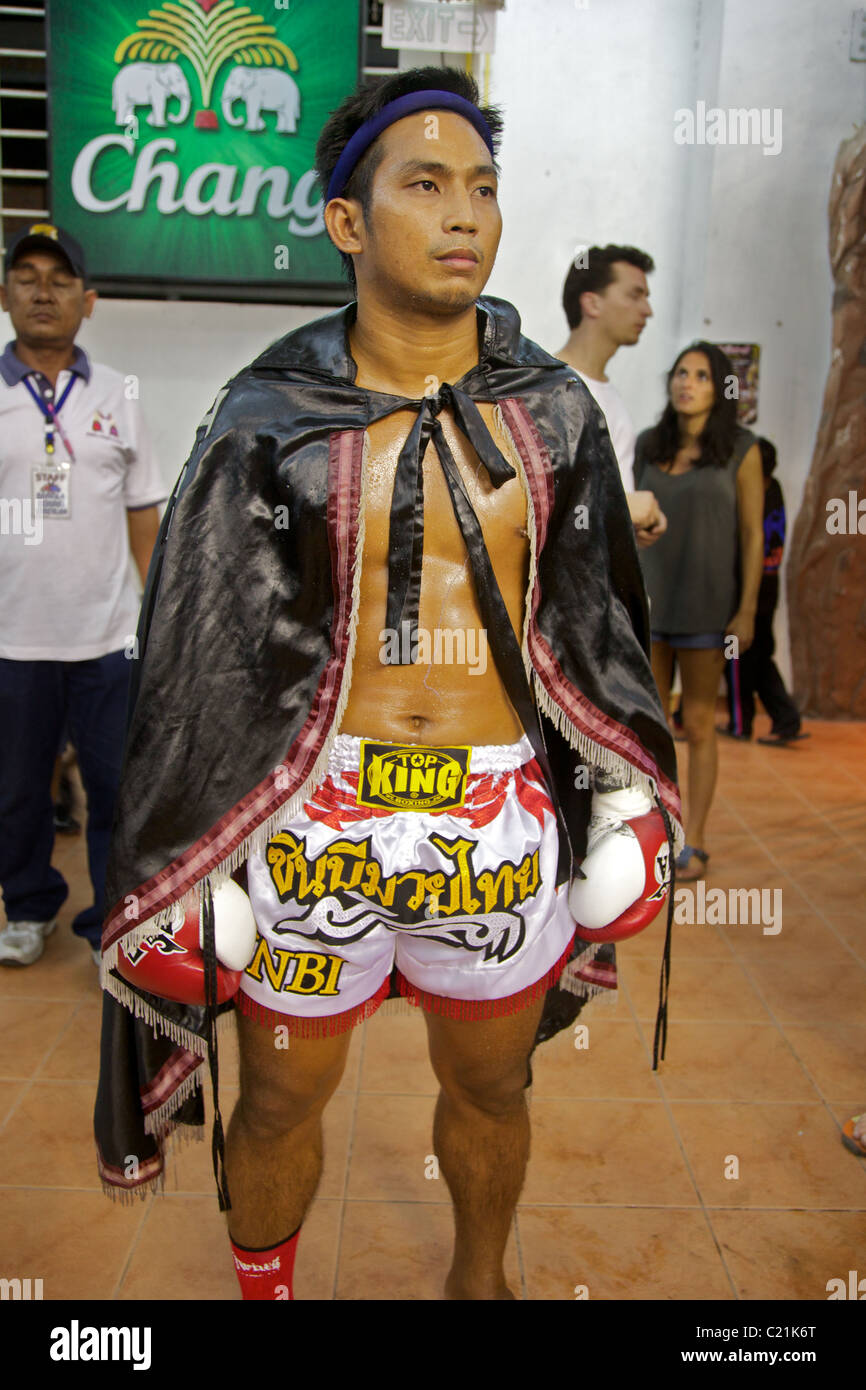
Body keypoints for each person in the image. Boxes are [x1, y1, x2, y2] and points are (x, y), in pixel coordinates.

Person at [94, 67, 682, 1302]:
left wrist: (627, 797)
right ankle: (269, 1293)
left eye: (480, 186)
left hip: (497, 813)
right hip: (321, 816)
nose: (464, 213)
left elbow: (597, 631)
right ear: (349, 223)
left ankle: (479, 1286)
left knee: (491, 1084)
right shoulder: (267, 414)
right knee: (278, 1097)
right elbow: (201, 652)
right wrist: (184, 856)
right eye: (424, 185)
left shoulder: (554, 412)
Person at [0, 223, 164, 966]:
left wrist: (157, 618)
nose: (43, 290)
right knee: (17, 793)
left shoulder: (120, 396)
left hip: (107, 641)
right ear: (6, 295)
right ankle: (28, 910)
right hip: (11, 642)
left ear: (88, 301)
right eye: (27, 276)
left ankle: (111, 924)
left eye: (61, 279)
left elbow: (143, 518)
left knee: (112, 788)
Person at [634, 342, 764, 881]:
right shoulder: (647, 443)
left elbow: (754, 535)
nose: (687, 383)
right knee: (650, 725)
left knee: (700, 726)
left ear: (720, 387)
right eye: (681, 373)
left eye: (702, 376)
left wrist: (747, 610)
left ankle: (698, 840)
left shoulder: (741, 449)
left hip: (708, 607)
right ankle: (655, 833)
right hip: (648, 603)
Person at [556, 244, 666, 548]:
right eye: (635, 295)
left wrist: (635, 525)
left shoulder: (609, 394)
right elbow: (537, 508)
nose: (647, 310)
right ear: (592, 303)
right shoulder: (549, 390)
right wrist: (623, 508)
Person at [719, 437, 807, 746]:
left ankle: (740, 724)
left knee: (738, 660)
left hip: (752, 592)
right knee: (760, 657)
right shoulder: (775, 488)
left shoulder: (756, 496)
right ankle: (786, 719)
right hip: (768, 588)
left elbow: (750, 542)